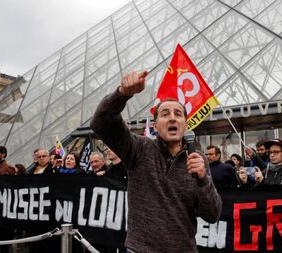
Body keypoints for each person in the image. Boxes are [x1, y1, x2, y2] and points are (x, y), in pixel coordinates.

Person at [90, 70, 222, 252]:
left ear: (185, 123)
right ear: (155, 125)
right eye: (165, 113)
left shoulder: (198, 160)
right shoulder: (139, 148)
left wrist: (202, 179)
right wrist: (122, 94)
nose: (172, 117)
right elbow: (101, 123)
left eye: (178, 114)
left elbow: (212, 214)